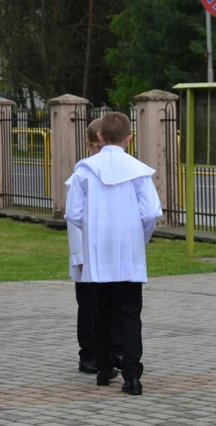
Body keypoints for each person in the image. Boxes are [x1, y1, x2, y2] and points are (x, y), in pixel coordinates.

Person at [64, 112, 162, 397]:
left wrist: (94, 230)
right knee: (130, 312)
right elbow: (152, 212)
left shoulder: (84, 170)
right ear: (129, 138)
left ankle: (104, 369)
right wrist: (138, 235)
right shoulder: (139, 171)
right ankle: (132, 376)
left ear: (99, 137)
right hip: (128, 249)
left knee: (101, 310)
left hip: (98, 250)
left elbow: (74, 213)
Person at [67, 118, 120, 374]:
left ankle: (113, 350)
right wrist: (80, 255)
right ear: (93, 144)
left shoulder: (120, 170)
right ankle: (88, 352)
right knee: (89, 305)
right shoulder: (82, 173)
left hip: (110, 250)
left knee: (113, 302)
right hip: (88, 252)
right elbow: (75, 219)